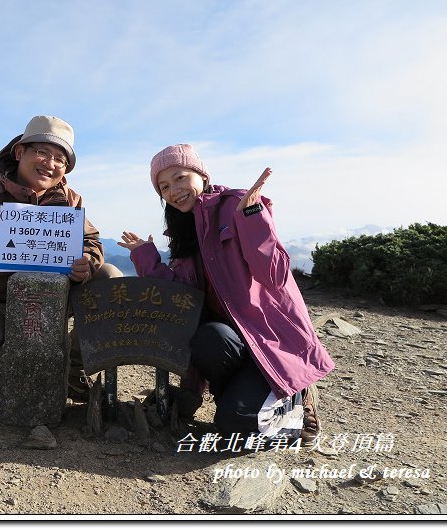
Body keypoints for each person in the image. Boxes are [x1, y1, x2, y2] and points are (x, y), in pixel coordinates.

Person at [118, 143, 334, 443]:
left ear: (201, 175)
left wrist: (252, 215)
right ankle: (239, 398)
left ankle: (297, 398)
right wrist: (145, 256)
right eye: (164, 186)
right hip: (233, 344)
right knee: (208, 339)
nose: (173, 190)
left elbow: (275, 275)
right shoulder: (183, 229)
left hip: (268, 341)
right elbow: (183, 298)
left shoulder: (237, 206)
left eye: (180, 177)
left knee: (235, 424)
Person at [0, 115, 122, 400]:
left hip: (54, 297)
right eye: (41, 152)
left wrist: (87, 262)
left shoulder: (70, 201)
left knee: (111, 278)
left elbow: (91, 241)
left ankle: (74, 368)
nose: (50, 164)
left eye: (60, 159)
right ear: (19, 152)